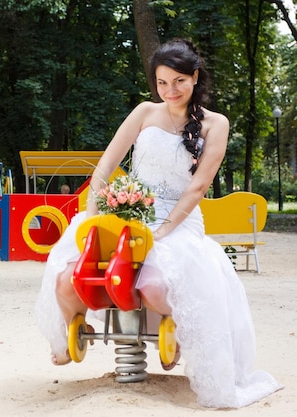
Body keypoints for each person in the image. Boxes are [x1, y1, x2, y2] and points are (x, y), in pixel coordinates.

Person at [35, 39, 281, 408]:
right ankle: (77, 331)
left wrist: (163, 230)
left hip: (177, 218)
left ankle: (174, 333)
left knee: (154, 285)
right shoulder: (144, 112)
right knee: (68, 272)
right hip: (129, 208)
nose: (170, 91)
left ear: (195, 77)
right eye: (162, 82)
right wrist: (91, 211)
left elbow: (198, 186)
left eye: (179, 81)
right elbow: (106, 164)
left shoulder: (216, 124)